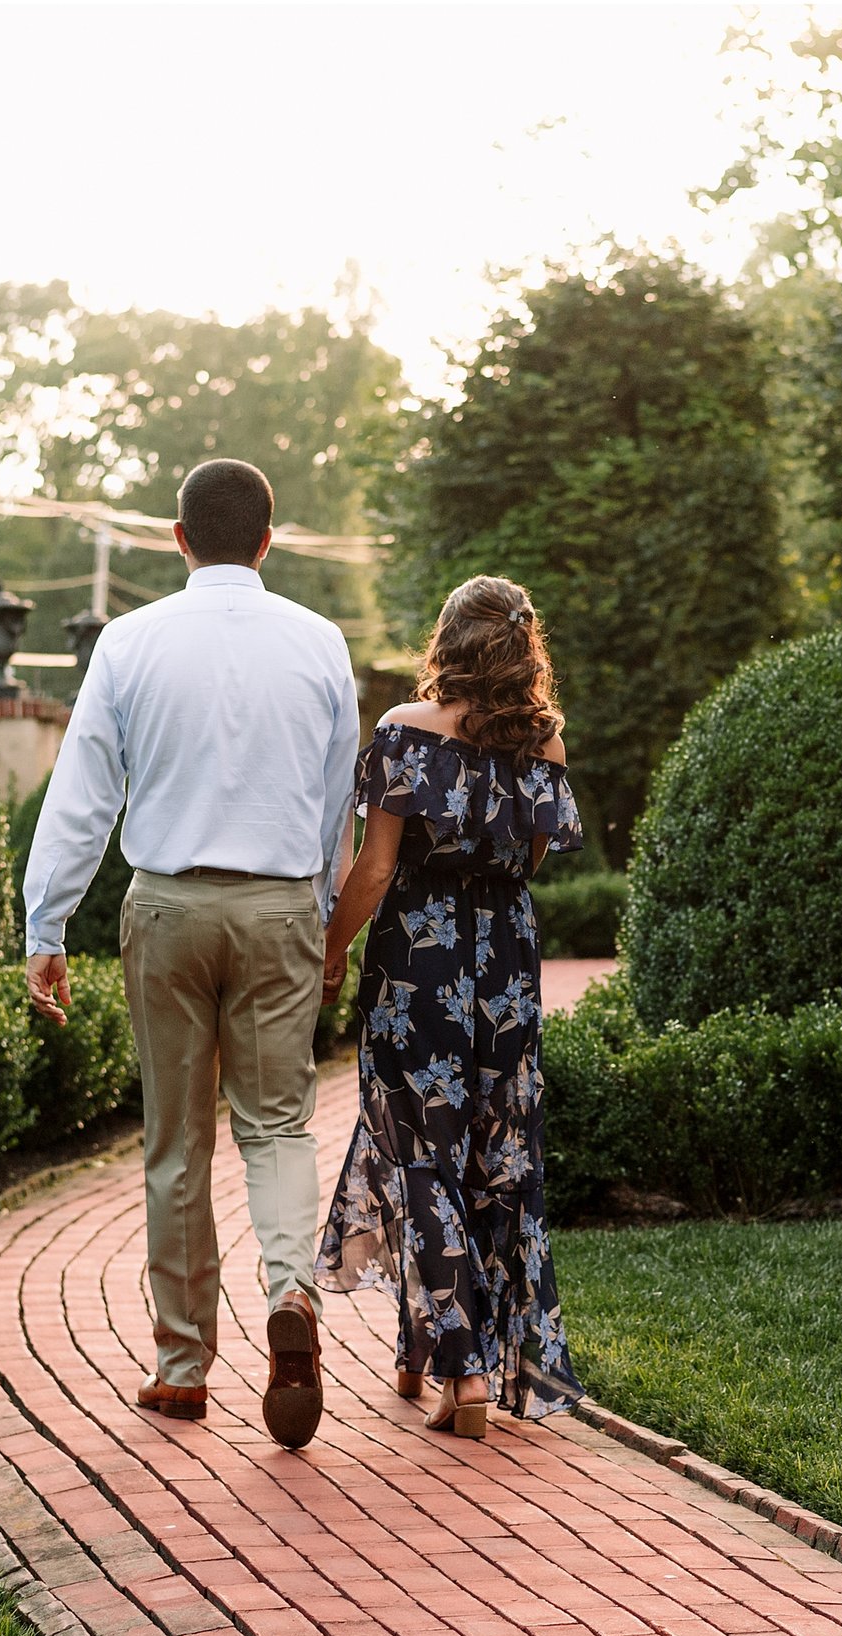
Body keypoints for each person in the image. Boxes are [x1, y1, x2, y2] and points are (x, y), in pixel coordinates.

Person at [20, 458, 356, 1451]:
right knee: (278, 1127)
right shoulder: (319, 643)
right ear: (266, 538)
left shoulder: (127, 644)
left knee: (176, 1143)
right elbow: (337, 802)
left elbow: (81, 799)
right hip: (278, 908)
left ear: (177, 537)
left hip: (166, 908)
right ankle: (290, 1289)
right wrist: (325, 921)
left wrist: (47, 929)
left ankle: (180, 1369)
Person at [315, 575, 585, 1441]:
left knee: (419, 1155)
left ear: (450, 644)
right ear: (521, 650)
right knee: (493, 1159)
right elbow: (533, 860)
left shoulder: (401, 732)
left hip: (416, 972)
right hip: (506, 967)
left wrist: (330, 946)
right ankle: (447, 1357)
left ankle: (463, 1372)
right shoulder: (545, 745)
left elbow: (376, 869)